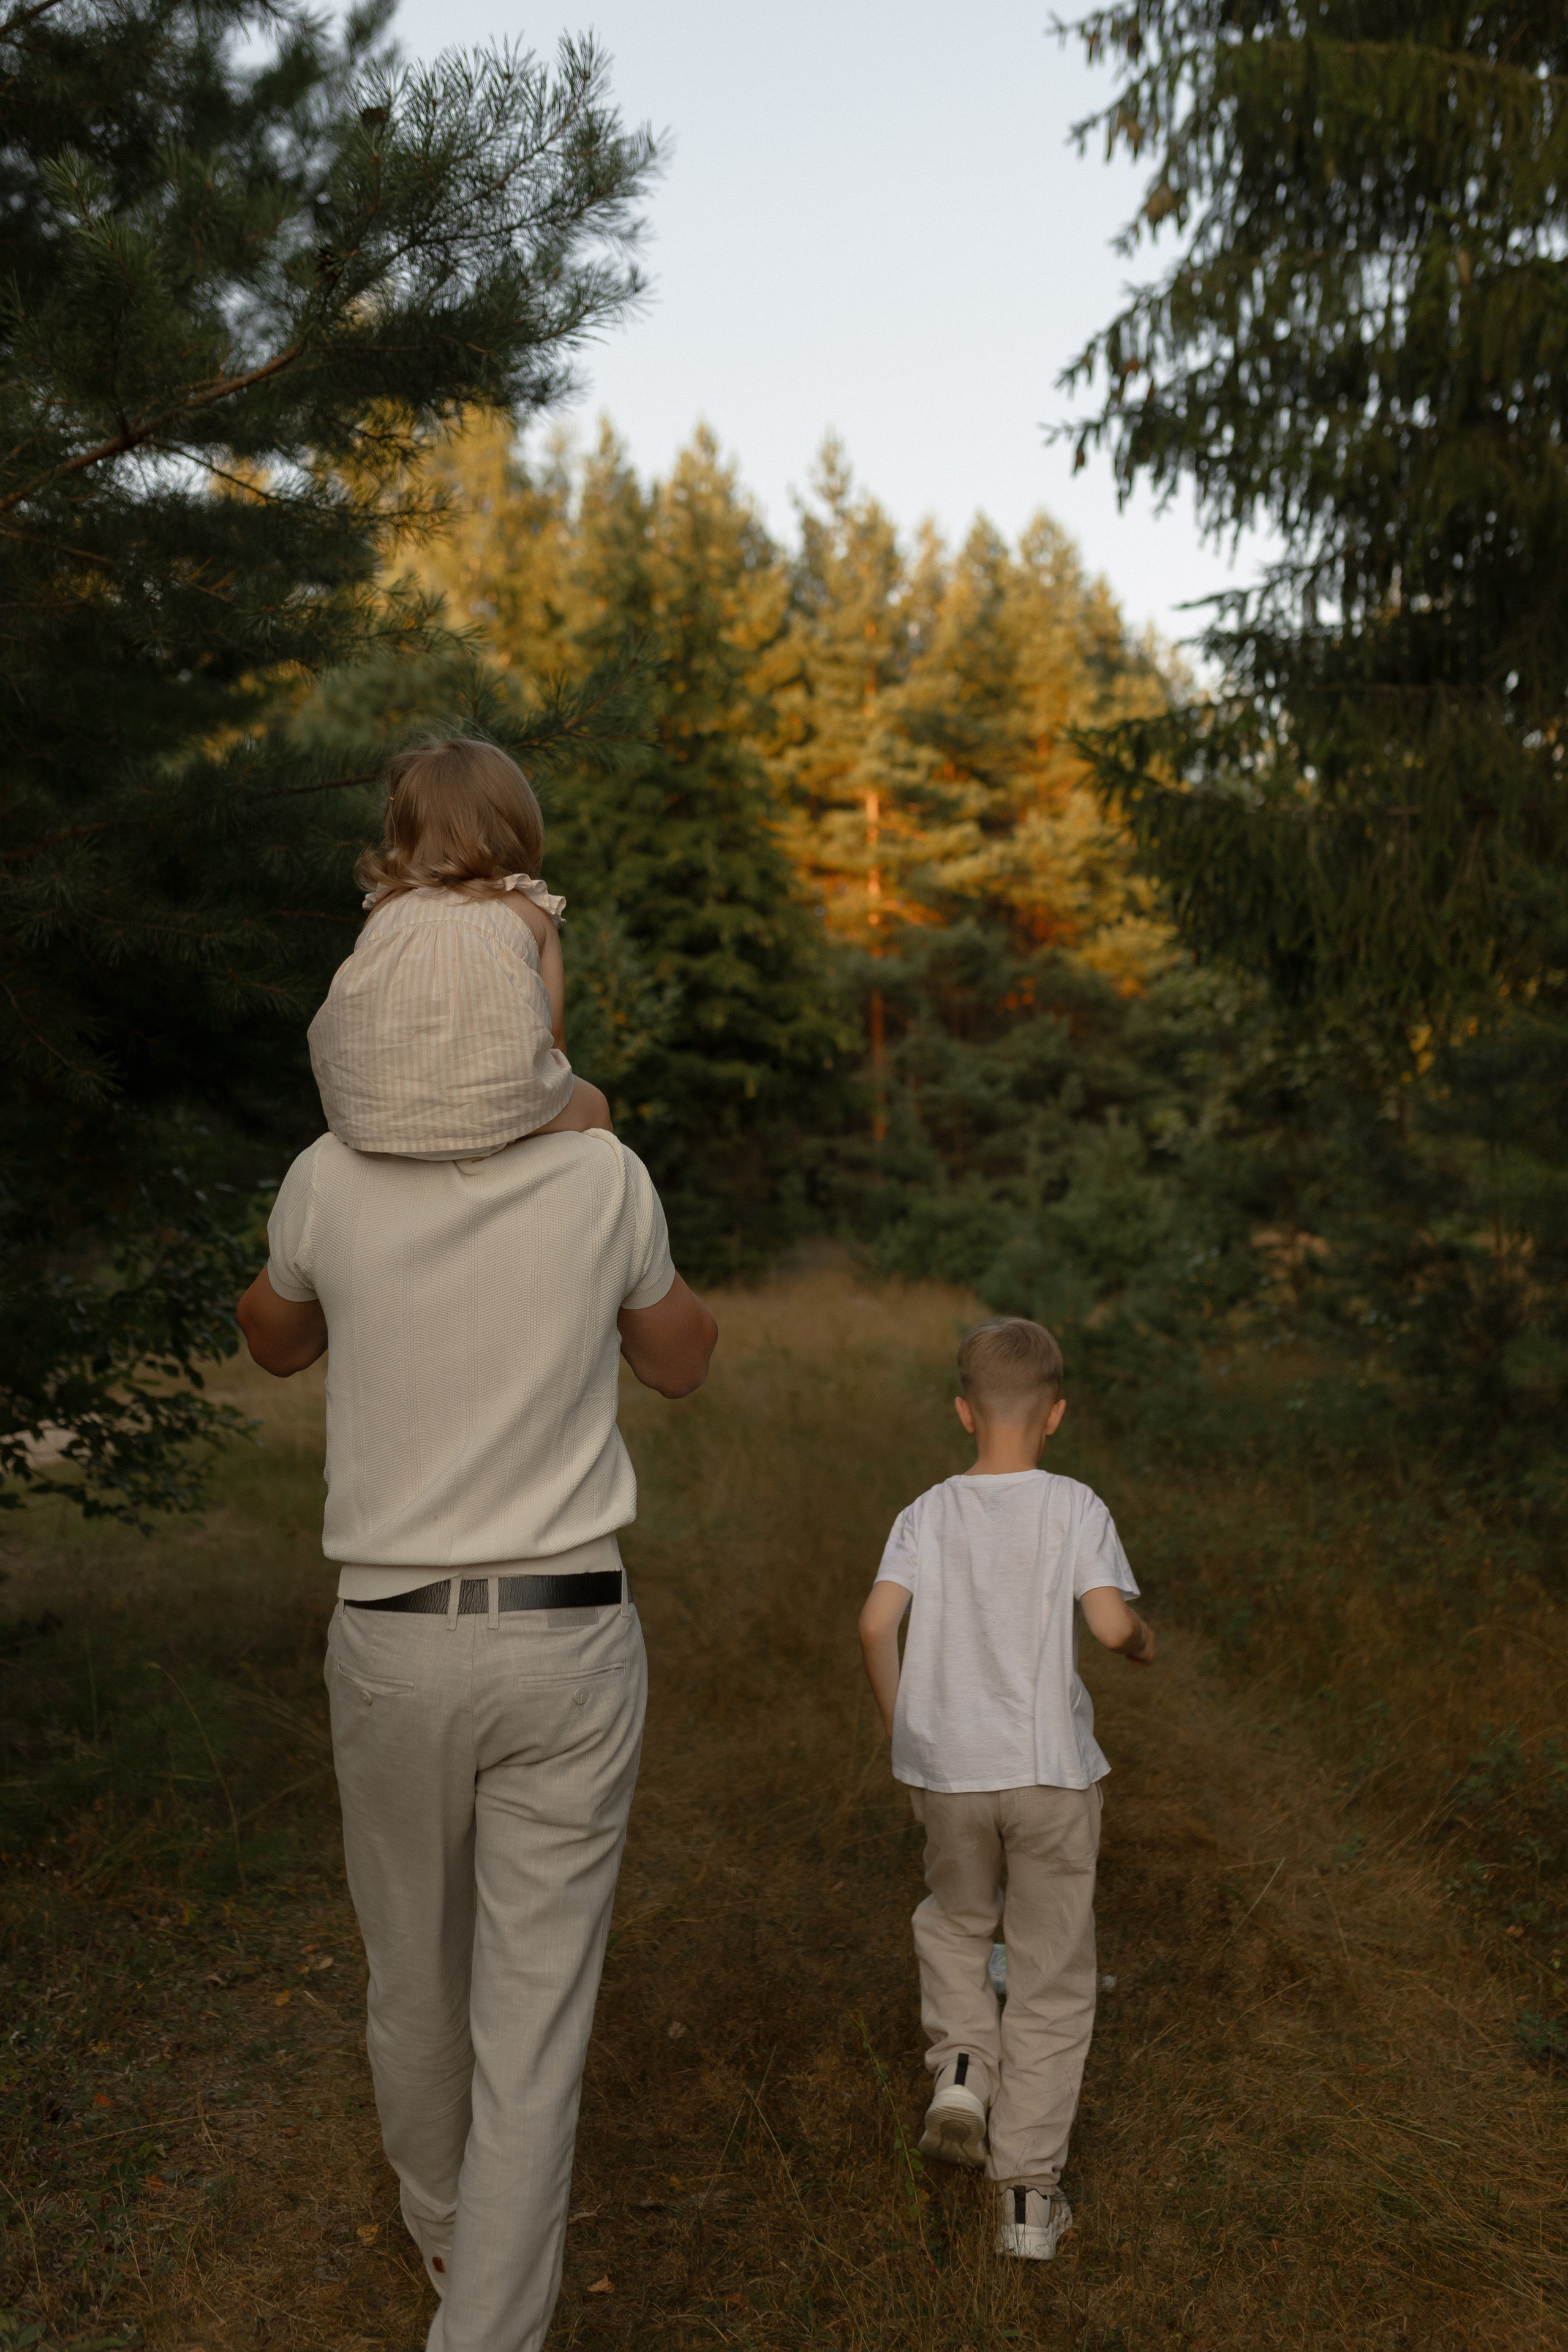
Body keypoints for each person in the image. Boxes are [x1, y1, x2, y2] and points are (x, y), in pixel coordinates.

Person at [235, 791, 718, 2350]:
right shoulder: (602, 1178)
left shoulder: (324, 1178)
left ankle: (452, 2250)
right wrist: (587, 1130)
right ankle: (488, 2319)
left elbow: (273, 1334)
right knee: (534, 2014)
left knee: (411, 1980)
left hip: (389, 1634)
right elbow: (684, 1361)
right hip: (567, 1633)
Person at [857, 1316, 1153, 2263]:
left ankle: (959, 2068)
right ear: (1056, 1415)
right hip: (1050, 1776)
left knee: (954, 1921)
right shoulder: (1075, 1506)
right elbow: (1109, 1628)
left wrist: (908, 1729)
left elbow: (874, 1626)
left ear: (962, 1413)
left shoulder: (927, 1511)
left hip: (951, 1773)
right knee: (1053, 1973)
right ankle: (1027, 2200)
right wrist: (1144, 1644)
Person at [306, 735, 611, 1162]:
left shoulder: (384, 913)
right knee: (594, 1104)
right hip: (491, 1108)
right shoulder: (529, 913)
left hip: (370, 1112)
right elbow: (553, 1035)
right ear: (516, 824)